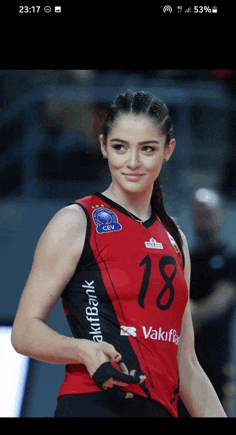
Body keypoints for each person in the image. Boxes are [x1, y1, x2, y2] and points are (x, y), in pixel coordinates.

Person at [11, 90, 227, 417]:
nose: (133, 162)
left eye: (148, 149)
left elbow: (187, 365)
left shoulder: (175, 240)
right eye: (120, 147)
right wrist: (83, 349)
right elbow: (24, 332)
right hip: (92, 404)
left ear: (168, 150)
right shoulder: (76, 221)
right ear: (103, 146)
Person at [178, 188, 236, 417]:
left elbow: (220, 302)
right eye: (198, 213)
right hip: (181, 366)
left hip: (213, 363)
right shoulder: (184, 259)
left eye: (208, 212)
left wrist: (189, 315)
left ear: (220, 215)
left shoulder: (228, 258)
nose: (203, 219)